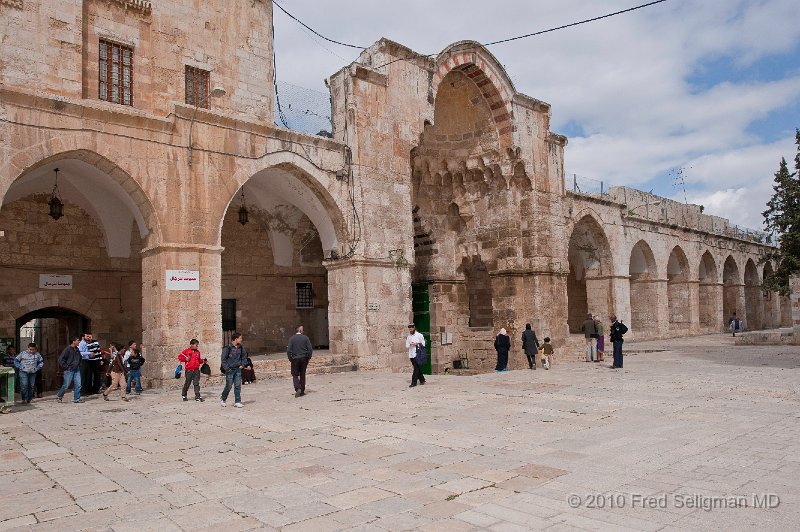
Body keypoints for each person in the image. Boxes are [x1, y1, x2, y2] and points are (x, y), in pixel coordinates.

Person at [220, 332, 246, 407]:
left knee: (238, 385)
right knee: (229, 385)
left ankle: (237, 401)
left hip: (238, 369)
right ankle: (223, 398)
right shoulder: (227, 348)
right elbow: (223, 359)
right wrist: (227, 368)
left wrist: (243, 364)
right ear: (236, 339)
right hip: (230, 369)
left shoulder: (241, 347)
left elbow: (244, 356)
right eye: (240, 338)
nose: (241, 340)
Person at [287, 325, 313, 397]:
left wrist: (290, 358)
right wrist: (308, 357)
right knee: (302, 374)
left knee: (295, 374)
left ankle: (298, 388)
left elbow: (289, 350)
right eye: (302, 329)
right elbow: (310, 349)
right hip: (304, 358)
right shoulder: (305, 338)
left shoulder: (292, 339)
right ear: (300, 330)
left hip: (295, 358)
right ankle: (302, 390)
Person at [56, 336, 83, 403]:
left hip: (77, 369)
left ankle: (76, 398)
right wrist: (66, 367)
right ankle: (59, 396)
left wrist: (79, 364)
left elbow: (79, 358)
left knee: (78, 384)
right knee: (66, 385)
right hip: (69, 370)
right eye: (77, 340)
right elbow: (61, 359)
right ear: (73, 341)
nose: (79, 342)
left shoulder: (77, 349)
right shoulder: (67, 349)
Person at [406, 323, 426, 387]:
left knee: (416, 369)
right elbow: (406, 345)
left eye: (411, 328)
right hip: (411, 354)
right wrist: (410, 344)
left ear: (414, 327)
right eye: (409, 328)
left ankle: (413, 383)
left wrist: (416, 344)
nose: (410, 329)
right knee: (416, 368)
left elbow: (423, 344)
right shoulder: (409, 336)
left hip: (417, 354)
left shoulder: (419, 335)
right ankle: (422, 379)